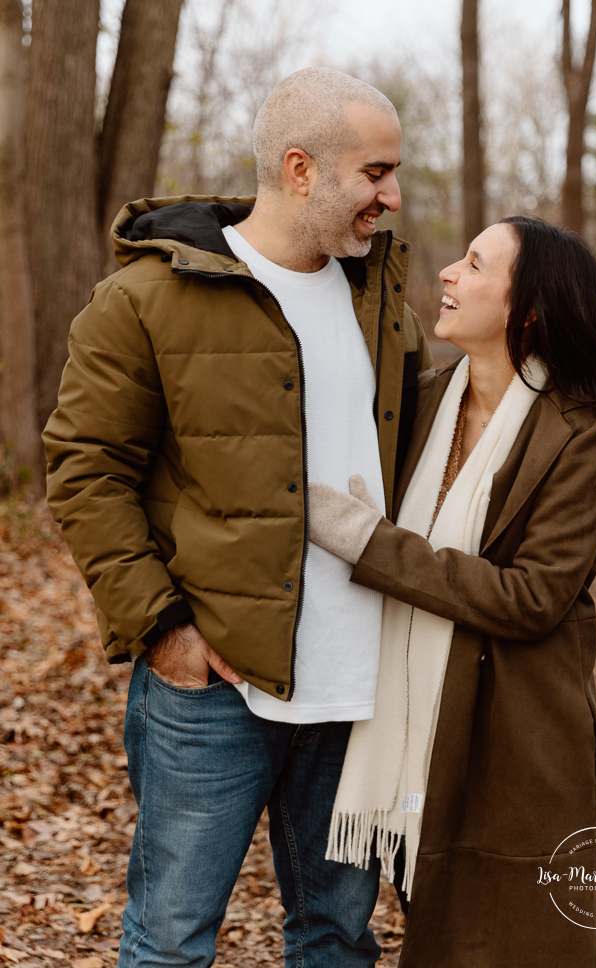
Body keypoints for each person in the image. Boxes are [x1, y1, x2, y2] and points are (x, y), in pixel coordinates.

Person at [43, 67, 432, 968]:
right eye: (375, 173)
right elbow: (85, 467)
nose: (393, 196)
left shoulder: (380, 299)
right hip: (215, 688)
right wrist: (162, 629)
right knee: (172, 943)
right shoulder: (145, 298)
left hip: (358, 690)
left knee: (338, 939)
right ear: (300, 169)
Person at [308, 216, 596, 968]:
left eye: (473, 265)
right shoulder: (423, 400)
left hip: (517, 725)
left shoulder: (581, 431)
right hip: (401, 712)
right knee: (432, 920)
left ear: (525, 310)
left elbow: (531, 596)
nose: (447, 273)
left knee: (509, 937)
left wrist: (366, 541)